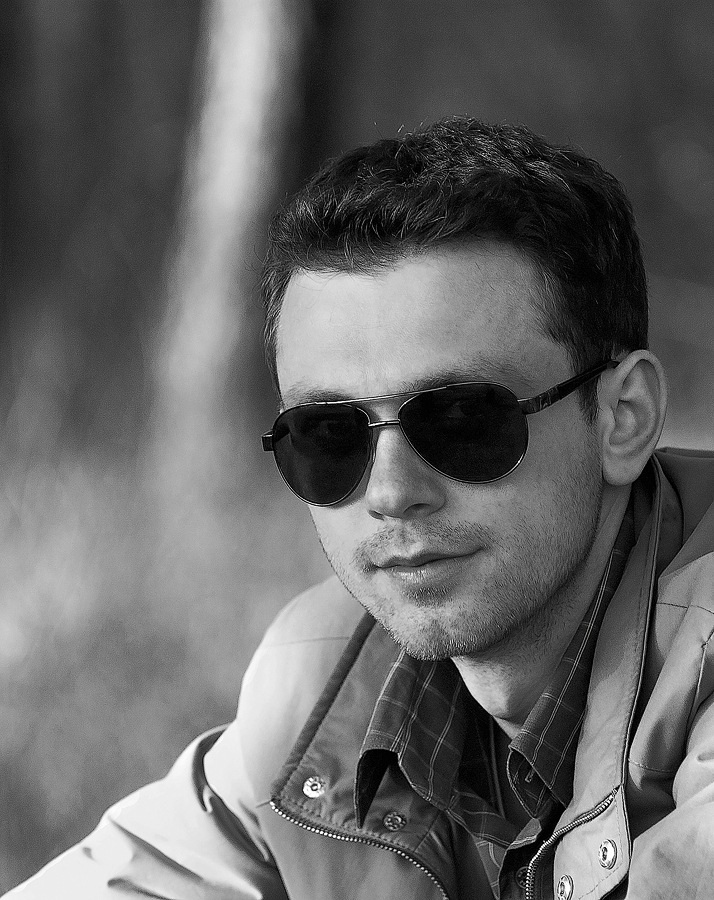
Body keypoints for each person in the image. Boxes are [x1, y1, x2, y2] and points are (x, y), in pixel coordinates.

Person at [9, 118, 714, 900]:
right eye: (330, 434)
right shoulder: (319, 688)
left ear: (623, 418)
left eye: (460, 419)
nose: (389, 492)